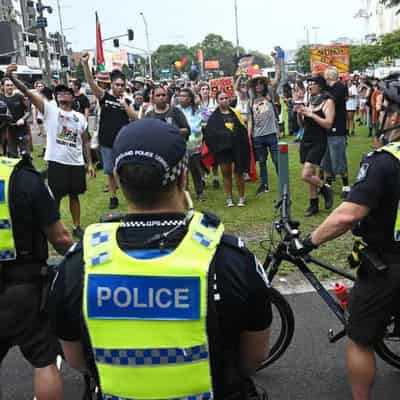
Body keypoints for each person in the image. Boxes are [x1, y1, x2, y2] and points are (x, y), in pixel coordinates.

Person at [50, 118, 272, 400]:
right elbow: (254, 357)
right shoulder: (231, 259)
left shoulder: (78, 265)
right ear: (182, 178)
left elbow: (76, 360)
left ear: (117, 179)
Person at [290, 73, 400, 400]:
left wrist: (308, 242)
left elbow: (348, 215)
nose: (376, 114)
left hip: (388, 266)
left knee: (360, 339)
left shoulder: (384, 162)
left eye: (379, 109)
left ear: (393, 116)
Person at [0, 65, 74, 400]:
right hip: (22, 288)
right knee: (44, 359)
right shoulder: (24, 178)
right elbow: (59, 238)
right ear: (5, 132)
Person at [6, 66, 96, 239]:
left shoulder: (80, 117)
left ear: (72, 96)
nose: (62, 94)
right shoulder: (50, 111)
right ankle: (53, 228)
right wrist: (13, 77)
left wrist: (90, 163)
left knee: (74, 196)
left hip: (76, 162)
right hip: (57, 162)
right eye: (59, 92)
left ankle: (77, 226)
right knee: (54, 197)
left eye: (66, 92)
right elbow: (27, 91)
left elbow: (85, 140)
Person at [81, 52, 137, 210]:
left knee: (121, 170)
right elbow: (91, 83)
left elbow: (135, 119)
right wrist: (85, 65)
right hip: (106, 141)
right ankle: (113, 197)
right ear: (111, 84)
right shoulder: (104, 96)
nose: (120, 87)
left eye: (122, 85)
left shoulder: (127, 100)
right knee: (109, 171)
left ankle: (130, 196)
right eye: (117, 85)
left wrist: (124, 106)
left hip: (123, 142)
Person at [205, 91, 250, 207]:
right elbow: (209, 134)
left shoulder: (236, 113)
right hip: (223, 150)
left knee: (238, 172)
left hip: (237, 148)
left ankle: (241, 197)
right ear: (217, 100)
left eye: (226, 98)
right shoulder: (214, 117)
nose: (224, 100)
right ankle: (229, 198)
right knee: (226, 173)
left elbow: (243, 130)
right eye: (221, 98)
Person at [298, 75, 335, 216]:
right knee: (311, 174)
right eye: (309, 84)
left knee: (306, 174)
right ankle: (313, 205)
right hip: (306, 139)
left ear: (320, 85)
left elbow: (328, 124)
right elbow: (303, 125)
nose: (309, 86)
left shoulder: (328, 102)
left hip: (319, 140)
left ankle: (325, 188)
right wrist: (300, 114)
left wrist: (312, 114)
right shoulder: (310, 100)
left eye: (312, 84)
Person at [247, 53, 281, 195]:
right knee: (261, 162)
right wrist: (249, 135)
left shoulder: (270, 95)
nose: (259, 85)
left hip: (271, 133)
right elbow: (250, 119)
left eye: (261, 83)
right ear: (254, 87)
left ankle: (283, 182)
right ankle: (264, 185)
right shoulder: (251, 101)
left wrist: (276, 61)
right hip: (258, 136)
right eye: (256, 84)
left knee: (276, 160)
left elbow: (277, 77)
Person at [323, 66, 351, 199]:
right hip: (328, 127)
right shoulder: (331, 88)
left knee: (339, 158)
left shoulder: (339, 87)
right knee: (327, 158)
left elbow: (331, 100)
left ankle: (346, 186)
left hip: (337, 128)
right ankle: (327, 185)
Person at [177, 87, 205, 200]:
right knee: (183, 171)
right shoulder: (176, 110)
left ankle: (200, 191)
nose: (182, 98)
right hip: (180, 145)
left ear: (190, 99)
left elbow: (200, 123)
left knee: (195, 170)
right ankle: (184, 193)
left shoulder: (196, 109)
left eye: (185, 96)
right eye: (180, 96)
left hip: (194, 146)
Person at [0, 77, 31, 157]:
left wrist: (22, 119)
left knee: (26, 156)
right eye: (7, 85)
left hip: (22, 129)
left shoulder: (19, 97)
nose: (10, 87)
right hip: (8, 131)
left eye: (11, 85)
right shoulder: (0, 98)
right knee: (12, 156)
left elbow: (28, 111)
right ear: (2, 86)